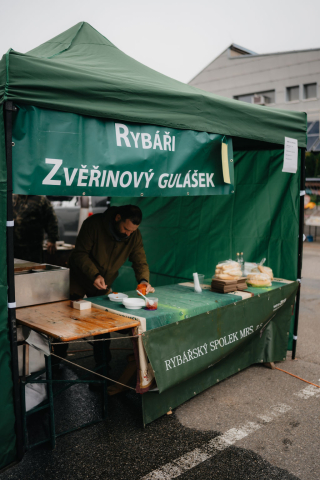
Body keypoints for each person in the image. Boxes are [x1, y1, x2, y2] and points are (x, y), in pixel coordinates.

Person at [68, 204, 154, 369]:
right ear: (117, 218)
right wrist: (94, 274)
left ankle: (102, 366)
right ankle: (57, 360)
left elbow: (140, 260)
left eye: (132, 231)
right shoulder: (93, 224)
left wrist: (144, 280)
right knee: (66, 318)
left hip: (103, 283)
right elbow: (79, 254)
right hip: (78, 278)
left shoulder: (133, 234)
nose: (128, 234)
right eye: (125, 229)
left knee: (102, 324)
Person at [13, 195, 59, 263]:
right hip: (12, 245)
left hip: (32, 246)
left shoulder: (40, 199)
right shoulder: (11, 197)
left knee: (32, 268)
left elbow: (51, 219)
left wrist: (52, 239)